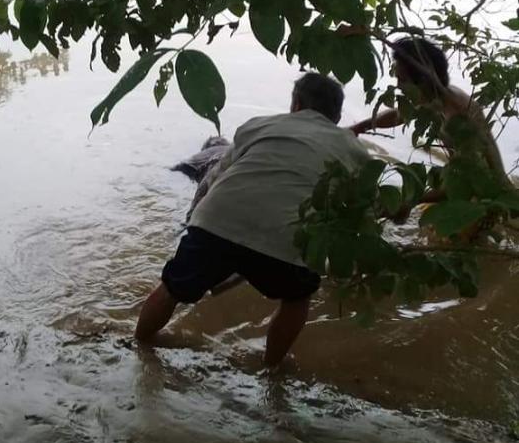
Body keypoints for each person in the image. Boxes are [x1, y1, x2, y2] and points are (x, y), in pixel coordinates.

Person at [135, 73, 369, 367]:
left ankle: (138, 345)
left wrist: (194, 220)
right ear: (336, 114)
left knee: (171, 287)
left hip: (218, 219)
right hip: (287, 237)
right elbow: (358, 210)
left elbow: (214, 177)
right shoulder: (355, 150)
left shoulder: (259, 125)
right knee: (298, 298)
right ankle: (272, 369)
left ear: (296, 103)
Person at [349, 36, 507, 185]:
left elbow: (468, 181)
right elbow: (401, 115)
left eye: (402, 80)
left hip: (485, 195)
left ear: (424, 80)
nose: (397, 86)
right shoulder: (437, 95)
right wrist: (359, 127)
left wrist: (410, 202)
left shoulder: (456, 118)